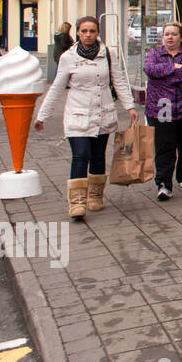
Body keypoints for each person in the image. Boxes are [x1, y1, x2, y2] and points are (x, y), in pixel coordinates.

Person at [35, 16, 137, 219]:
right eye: (84, 31)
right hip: (78, 114)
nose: (88, 35)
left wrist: (130, 107)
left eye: (92, 31)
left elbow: (118, 81)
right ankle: (77, 201)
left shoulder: (108, 53)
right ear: (78, 33)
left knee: (98, 157)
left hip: (104, 113)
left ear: (98, 32)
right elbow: (56, 87)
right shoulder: (68, 57)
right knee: (81, 155)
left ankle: (95, 195)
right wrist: (42, 116)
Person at [143, 21, 182, 201]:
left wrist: (164, 75)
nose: (170, 37)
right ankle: (163, 184)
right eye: (167, 34)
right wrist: (173, 68)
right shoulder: (154, 53)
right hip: (161, 106)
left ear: (181, 37)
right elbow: (149, 69)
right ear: (163, 37)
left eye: (174, 34)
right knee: (164, 146)